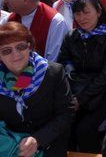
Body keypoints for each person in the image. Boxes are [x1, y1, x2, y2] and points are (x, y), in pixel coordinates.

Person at [57, 0, 106, 152]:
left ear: (98, 12)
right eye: (78, 13)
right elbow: (61, 63)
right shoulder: (72, 36)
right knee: (64, 126)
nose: (82, 18)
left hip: (104, 90)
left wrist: (81, 99)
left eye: (86, 12)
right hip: (76, 87)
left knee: (85, 129)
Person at [0, 22, 75, 156]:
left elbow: (66, 113)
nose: (15, 54)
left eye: (20, 47)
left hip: (49, 144)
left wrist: (38, 139)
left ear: (30, 47)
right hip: (11, 147)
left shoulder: (53, 72)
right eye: (6, 50)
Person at [4, 0, 69, 61]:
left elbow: (53, 61)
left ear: (25, 0)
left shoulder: (55, 21)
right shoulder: (8, 19)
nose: (5, 1)